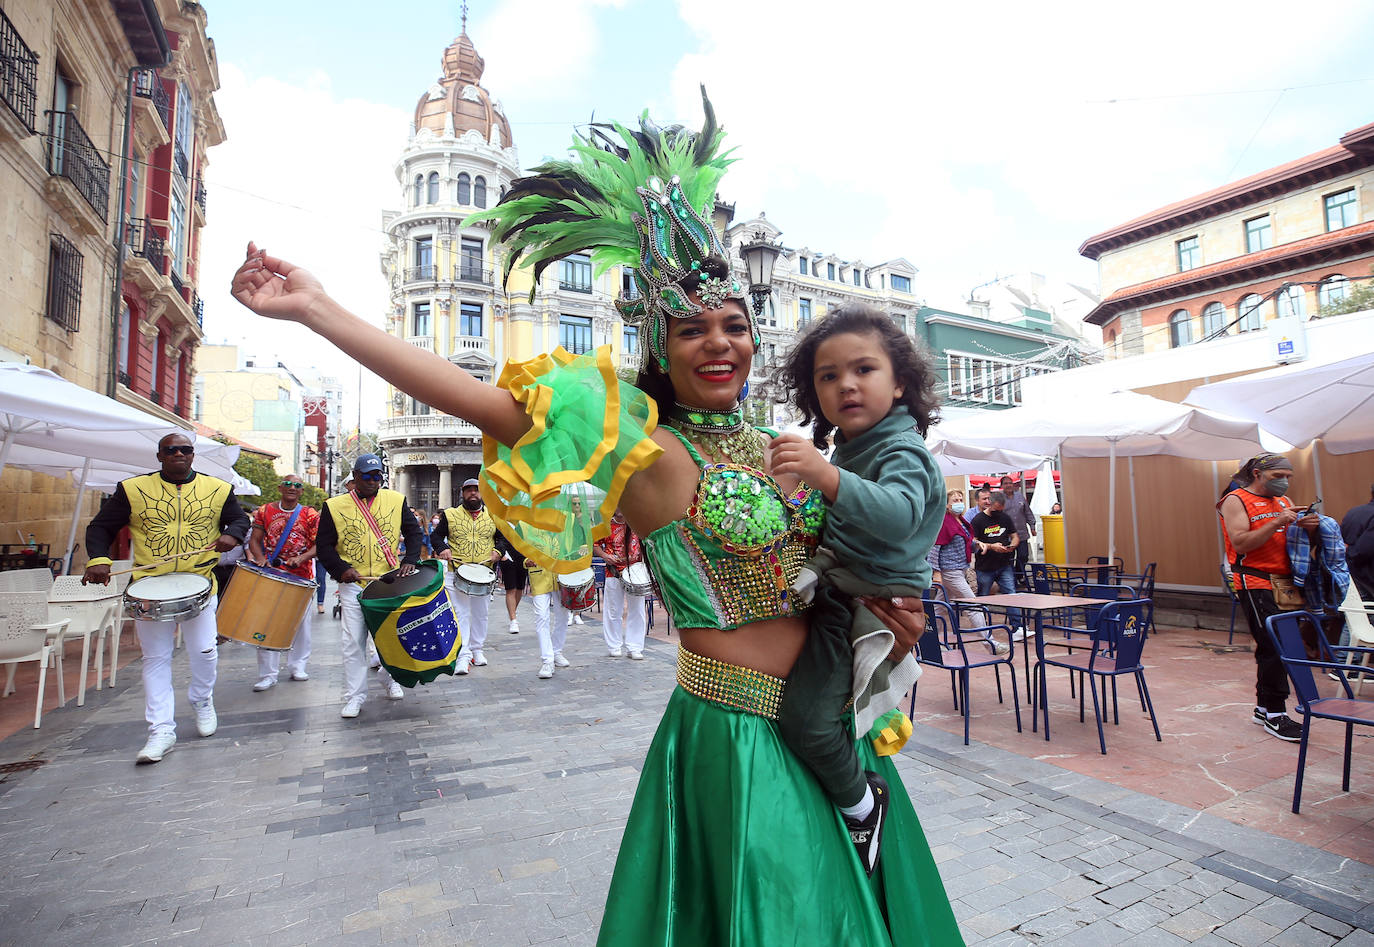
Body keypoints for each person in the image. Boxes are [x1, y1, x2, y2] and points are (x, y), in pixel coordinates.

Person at [231, 89, 961, 945]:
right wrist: (317, 309)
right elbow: (477, 398)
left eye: (733, 324)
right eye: (690, 330)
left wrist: (893, 619)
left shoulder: (790, 445)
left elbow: (860, 558)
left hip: (831, 722)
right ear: (657, 344)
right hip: (738, 741)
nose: (718, 342)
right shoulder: (641, 448)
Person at [769, 303, 943, 875]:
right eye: (828, 375)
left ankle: (862, 804)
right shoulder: (851, 449)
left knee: (809, 724)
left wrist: (826, 478)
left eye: (863, 369)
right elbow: (833, 523)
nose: (846, 383)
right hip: (842, 590)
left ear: (900, 385)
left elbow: (895, 518)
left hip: (862, 609)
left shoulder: (902, 452)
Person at [82, 432, 250, 764]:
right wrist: (99, 560)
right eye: (170, 450)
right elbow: (99, 528)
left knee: (204, 650)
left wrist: (232, 534)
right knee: (155, 659)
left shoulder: (217, 489)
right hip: (150, 585)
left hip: (199, 581)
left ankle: (202, 699)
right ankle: (160, 730)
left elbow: (239, 518)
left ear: (192, 455)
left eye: (185, 450)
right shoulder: (133, 489)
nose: (178, 454)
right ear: (159, 456)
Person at [1218, 452, 1320, 742]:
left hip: (1284, 582)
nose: (1284, 483)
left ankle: (1264, 708)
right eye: (1278, 477)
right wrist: (1275, 522)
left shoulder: (1283, 503)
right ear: (1258, 475)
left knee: (1278, 644)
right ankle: (1276, 713)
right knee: (1273, 645)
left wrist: (1308, 530)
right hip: (1254, 580)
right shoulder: (1235, 500)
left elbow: (1285, 540)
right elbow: (1240, 542)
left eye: (1288, 477)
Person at [316, 453, 423, 718]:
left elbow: (413, 533)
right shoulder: (334, 506)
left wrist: (410, 559)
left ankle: (390, 679)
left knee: (392, 638)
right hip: (355, 585)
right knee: (353, 642)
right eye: (368, 476)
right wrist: (342, 570)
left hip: (388, 583)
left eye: (378, 476)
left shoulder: (396, 500)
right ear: (355, 477)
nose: (374, 481)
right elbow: (324, 547)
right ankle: (354, 696)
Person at [246, 473, 319, 690]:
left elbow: (320, 544)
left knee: (300, 624)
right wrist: (260, 559)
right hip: (271, 574)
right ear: (280, 487)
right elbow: (254, 541)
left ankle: (298, 665)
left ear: (301, 491)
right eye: (288, 484)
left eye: (297, 485)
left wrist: (302, 558)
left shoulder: (310, 514)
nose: (292, 487)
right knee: (266, 622)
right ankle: (267, 673)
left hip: (301, 575)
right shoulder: (265, 511)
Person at [432, 478, 501, 674]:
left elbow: (503, 538)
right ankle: (463, 655)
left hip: (484, 572)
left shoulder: (494, 516)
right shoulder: (450, 515)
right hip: (457, 572)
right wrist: (443, 548)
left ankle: (477, 649)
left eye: (476, 490)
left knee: (481, 613)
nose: (473, 493)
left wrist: (498, 551)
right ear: (462, 493)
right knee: (460, 614)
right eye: (468, 490)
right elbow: (436, 536)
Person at [930, 488, 1009, 655]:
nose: (959, 503)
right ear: (946, 505)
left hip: (959, 569)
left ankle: (930, 641)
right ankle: (990, 643)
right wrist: (936, 572)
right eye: (955, 501)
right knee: (973, 604)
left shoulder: (961, 522)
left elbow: (968, 543)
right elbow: (935, 548)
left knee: (939, 607)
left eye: (960, 499)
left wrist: (981, 545)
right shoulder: (944, 522)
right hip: (950, 570)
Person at [971, 490, 1024, 639]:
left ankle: (1017, 628)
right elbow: (973, 541)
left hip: (1004, 564)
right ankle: (983, 629)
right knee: (983, 597)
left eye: (1001, 509)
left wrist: (1012, 545)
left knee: (1011, 594)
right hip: (985, 566)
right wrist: (991, 546)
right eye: (996, 509)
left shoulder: (1005, 518)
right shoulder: (978, 520)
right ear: (990, 503)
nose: (998, 512)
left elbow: (1014, 536)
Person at [595, 510, 647, 659]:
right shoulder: (605, 525)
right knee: (613, 610)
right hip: (613, 572)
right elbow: (595, 544)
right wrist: (605, 556)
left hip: (635, 573)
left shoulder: (637, 523)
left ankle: (635, 647)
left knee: (637, 610)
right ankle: (614, 645)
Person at [526, 557, 572, 678]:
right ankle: (547, 660)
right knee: (541, 617)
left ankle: (556, 651)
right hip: (539, 576)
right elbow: (523, 546)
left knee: (563, 616)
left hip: (561, 576)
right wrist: (526, 560)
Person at [999, 474, 1036, 582]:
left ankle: (1019, 575)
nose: (1008, 485)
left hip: (1022, 534)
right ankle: (1011, 579)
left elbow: (1028, 512)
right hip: (1007, 536)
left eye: (1010, 483)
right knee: (1009, 559)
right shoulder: (1000, 498)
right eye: (1005, 483)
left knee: (1024, 556)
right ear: (1002, 486)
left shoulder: (1020, 496)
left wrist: (1032, 526)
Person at [1342, 484, 1374, 602]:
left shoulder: (1353, 512)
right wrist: (1348, 550)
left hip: (1349, 579)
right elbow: (1362, 551)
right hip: (1368, 581)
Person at [494, 525, 527, 635]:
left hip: (524, 557)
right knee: (511, 589)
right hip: (507, 557)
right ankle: (513, 620)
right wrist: (502, 555)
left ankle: (512, 612)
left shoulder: (523, 520)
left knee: (520, 588)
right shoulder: (502, 520)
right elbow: (495, 537)